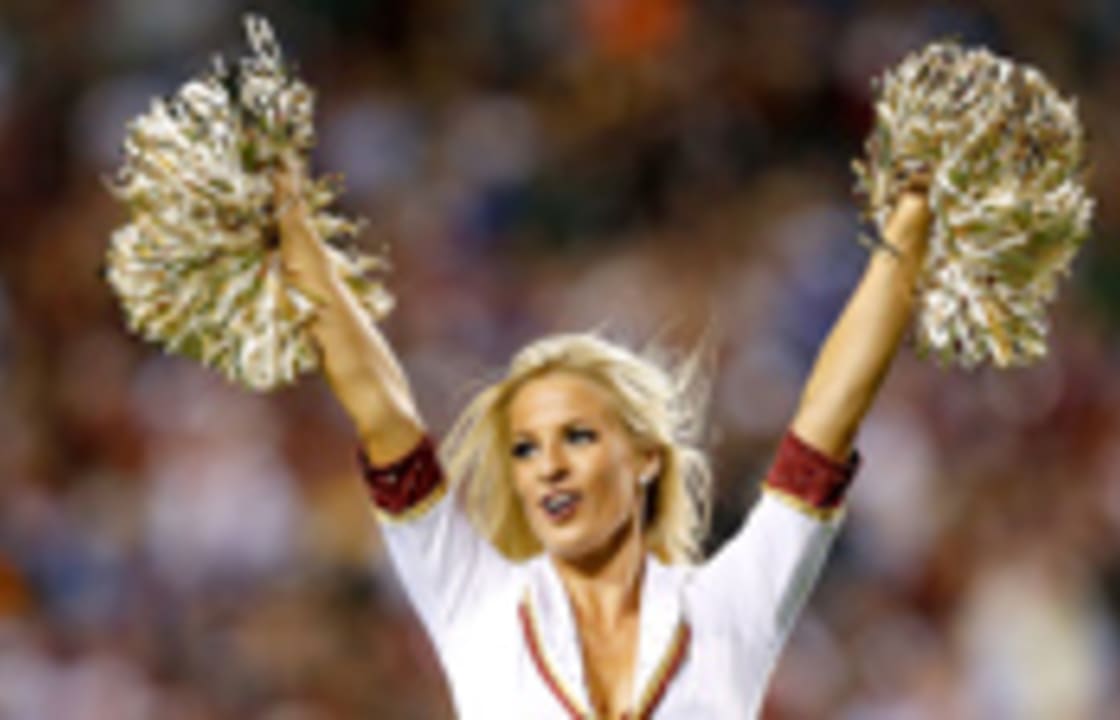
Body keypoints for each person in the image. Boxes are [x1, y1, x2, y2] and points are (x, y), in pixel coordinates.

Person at [273, 160, 932, 718]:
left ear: (646, 457)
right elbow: (380, 412)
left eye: (578, 437)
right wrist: (293, 228)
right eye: (525, 449)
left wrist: (912, 221)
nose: (549, 468)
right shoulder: (477, 602)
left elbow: (830, 418)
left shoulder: (730, 607)